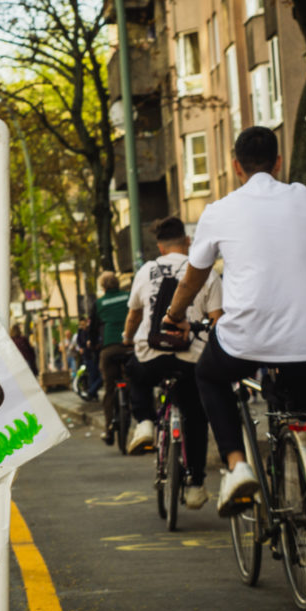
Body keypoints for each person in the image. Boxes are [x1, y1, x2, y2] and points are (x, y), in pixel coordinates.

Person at [162, 127, 306, 558]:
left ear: (236, 166)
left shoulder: (219, 210)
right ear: (279, 163)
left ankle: (237, 465)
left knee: (208, 375)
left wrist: (172, 314)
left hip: (248, 337)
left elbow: (195, 275)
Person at [121, 216, 222, 508]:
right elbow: (217, 320)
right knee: (195, 414)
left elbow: (134, 315)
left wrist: (128, 338)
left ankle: (144, 424)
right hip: (192, 358)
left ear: (160, 247)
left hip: (152, 354)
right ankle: (195, 484)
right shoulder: (205, 272)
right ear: (187, 242)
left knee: (134, 371)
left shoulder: (146, 271)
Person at [89, 271, 130, 445]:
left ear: (103, 287)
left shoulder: (99, 304)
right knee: (132, 382)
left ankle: (108, 429)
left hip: (109, 349)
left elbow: (92, 328)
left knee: (109, 389)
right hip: (129, 346)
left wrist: (93, 345)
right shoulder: (128, 297)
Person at [75, 316, 101, 400]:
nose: (83, 326)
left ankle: (92, 393)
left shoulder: (89, 331)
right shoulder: (81, 331)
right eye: (81, 324)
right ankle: (92, 392)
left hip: (91, 355)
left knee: (94, 375)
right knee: (93, 375)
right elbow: (79, 342)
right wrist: (81, 348)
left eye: (84, 324)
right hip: (88, 356)